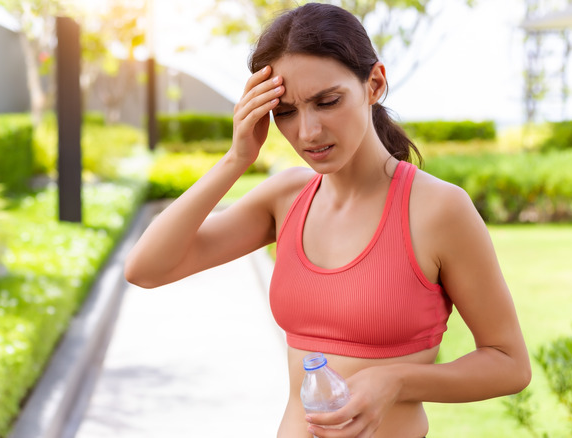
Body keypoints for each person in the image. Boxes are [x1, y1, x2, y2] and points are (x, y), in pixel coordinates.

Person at [124, 3, 531, 437]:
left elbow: (509, 363)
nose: (309, 132)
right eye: (285, 112)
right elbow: (146, 268)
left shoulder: (437, 209)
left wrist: (395, 380)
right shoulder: (286, 199)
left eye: (328, 101)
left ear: (374, 84)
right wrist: (235, 159)